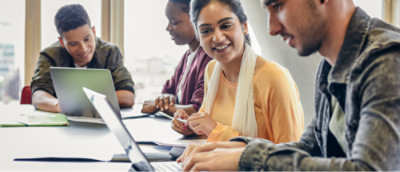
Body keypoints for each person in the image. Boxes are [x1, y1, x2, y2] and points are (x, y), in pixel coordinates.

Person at [177, 0, 400, 171]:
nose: (272, 28)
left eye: (279, 6)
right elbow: (311, 148)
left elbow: (368, 169)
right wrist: (233, 148)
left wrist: (247, 158)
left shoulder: (387, 61)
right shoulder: (329, 64)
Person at [171, 0, 304, 143]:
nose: (218, 38)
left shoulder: (275, 78)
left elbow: (290, 156)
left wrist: (215, 130)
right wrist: (191, 126)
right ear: (198, 36)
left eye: (225, 26)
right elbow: (208, 127)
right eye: (206, 31)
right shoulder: (212, 70)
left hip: (250, 166)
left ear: (244, 26)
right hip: (215, 163)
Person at [31, 4, 135, 113]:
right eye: (73, 44)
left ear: (93, 32)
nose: (83, 49)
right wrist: (60, 106)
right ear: (62, 42)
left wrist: (83, 103)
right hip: (64, 124)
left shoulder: (110, 52)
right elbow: (38, 96)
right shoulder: (50, 55)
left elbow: (128, 96)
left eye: (87, 39)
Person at [141, 0, 212, 116]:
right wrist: (166, 99)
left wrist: (158, 106)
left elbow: (198, 110)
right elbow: (168, 91)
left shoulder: (209, 58)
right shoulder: (187, 57)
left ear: (196, 19)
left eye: (174, 22)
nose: (168, 28)